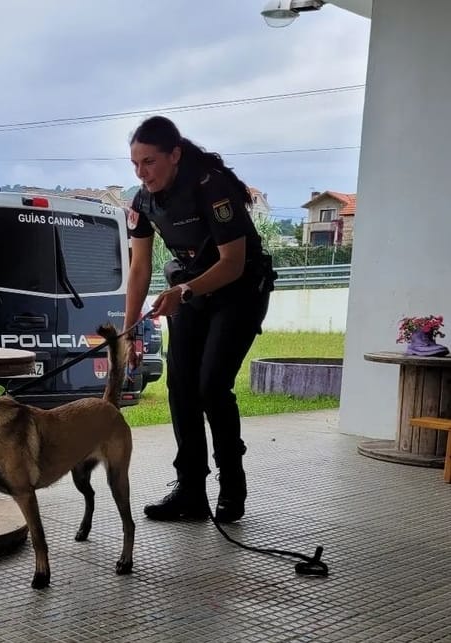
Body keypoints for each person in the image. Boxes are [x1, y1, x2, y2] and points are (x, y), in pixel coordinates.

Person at [123, 115, 276, 524]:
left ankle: (232, 486)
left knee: (211, 386)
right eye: (135, 164)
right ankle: (190, 489)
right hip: (191, 293)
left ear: (174, 155)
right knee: (181, 386)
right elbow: (138, 270)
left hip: (239, 292)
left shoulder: (212, 187)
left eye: (149, 162)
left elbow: (233, 263)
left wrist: (183, 292)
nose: (142, 173)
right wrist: (129, 330)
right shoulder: (143, 202)